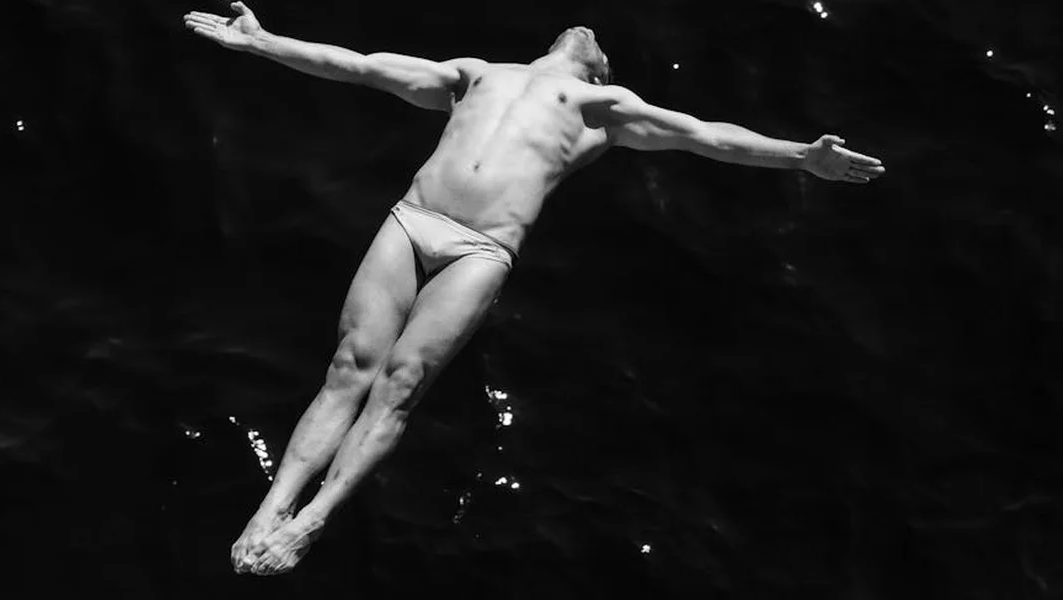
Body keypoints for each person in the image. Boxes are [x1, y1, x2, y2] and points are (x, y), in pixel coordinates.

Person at [183, 1, 885, 575]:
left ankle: (313, 520)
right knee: (347, 369)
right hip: (413, 218)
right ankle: (270, 508)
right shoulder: (476, 73)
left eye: (597, 40)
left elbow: (705, 136)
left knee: (400, 382)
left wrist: (801, 156)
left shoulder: (602, 105)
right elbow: (364, 68)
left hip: (479, 250)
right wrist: (263, 42)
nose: (586, 27)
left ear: (598, 62)